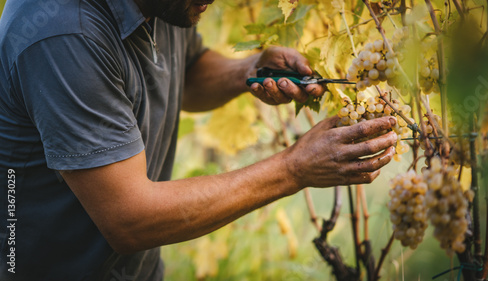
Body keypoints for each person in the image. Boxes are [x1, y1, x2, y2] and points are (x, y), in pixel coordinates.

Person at [0, 0, 397, 280]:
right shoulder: (63, 34)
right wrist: (294, 168)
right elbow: (130, 219)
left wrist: (249, 70)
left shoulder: (168, 4)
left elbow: (185, 74)